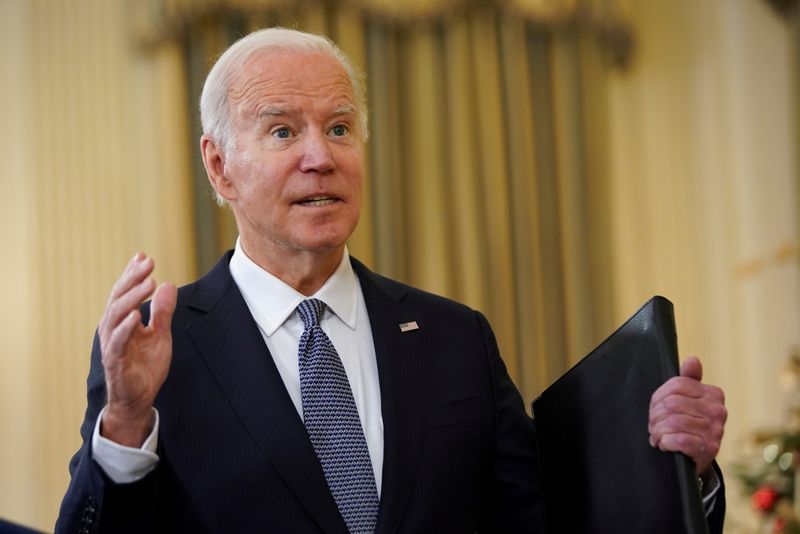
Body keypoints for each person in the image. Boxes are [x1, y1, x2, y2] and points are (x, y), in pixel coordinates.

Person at [56, 28, 727, 533]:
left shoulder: (454, 337)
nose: (320, 157)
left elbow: (545, 520)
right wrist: (124, 424)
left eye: (340, 127)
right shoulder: (155, 357)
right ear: (220, 166)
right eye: (284, 130)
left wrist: (677, 469)